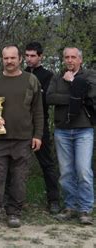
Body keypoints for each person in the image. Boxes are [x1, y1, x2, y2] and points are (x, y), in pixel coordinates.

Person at [0, 45, 43, 228]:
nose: (9, 61)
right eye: (6, 58)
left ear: (20, 59)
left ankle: (14, 212)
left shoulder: (31, 80)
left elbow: (38, 109)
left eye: (12, 58)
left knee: (19, 178)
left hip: (23, 138)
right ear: (2, 59)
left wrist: (37, 135)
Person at [47, 47, 96, 225]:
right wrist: (74, 95)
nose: (70, 60)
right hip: (63, 129)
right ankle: (70, 206)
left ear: (80, 59)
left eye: (73, 57)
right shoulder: (58, 77)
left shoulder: (90, 75)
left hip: (84, 129)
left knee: (83, 170)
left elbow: (91, 94)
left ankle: (85, 209)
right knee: (66, 172)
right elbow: (50, 98)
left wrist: (74, 82)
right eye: (66, 57)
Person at [24, 42, 60, 214]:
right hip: (21, 125)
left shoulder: (48, 76)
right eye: (27, 55)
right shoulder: (21, 74)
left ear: (40, 56)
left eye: (33, 56)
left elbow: (47, 100)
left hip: (40, 124)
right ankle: (12, 200)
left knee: (47, 164)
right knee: (14, 163)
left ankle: (53, 200)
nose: (29, 59)